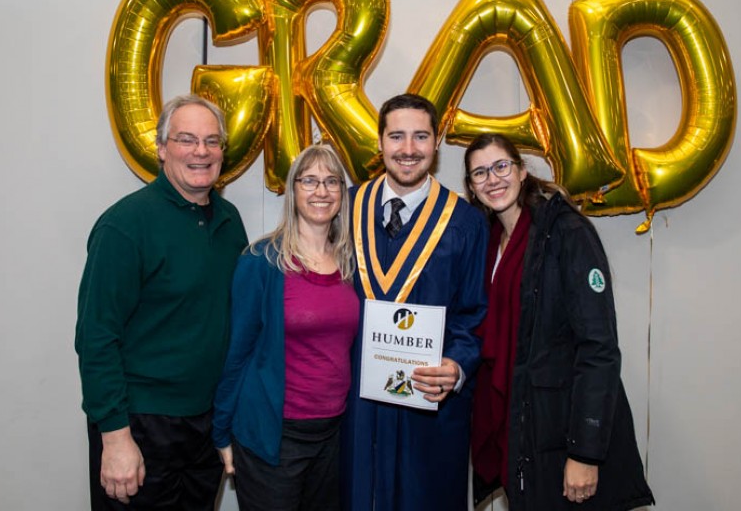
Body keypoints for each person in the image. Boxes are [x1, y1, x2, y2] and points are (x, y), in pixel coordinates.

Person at [464, 133, 655, 510]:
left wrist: (585, 453)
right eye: (480, 173)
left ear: (521, 171)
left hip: (561, 433)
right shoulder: (488, 241)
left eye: (501, 166)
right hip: (518, 426)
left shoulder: (567, 232)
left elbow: (599, 348)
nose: (493, 179)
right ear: (471, 187)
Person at [75, 94, 248, 510]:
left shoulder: (230, 222)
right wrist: (115, 437)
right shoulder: (125, 225)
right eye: (186, 139)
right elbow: (96, 337)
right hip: (141, 425)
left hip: (206, 425)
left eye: (212, 141)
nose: (201, 151)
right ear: (161, 148)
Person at [341, 93, 489, 511]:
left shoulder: (465, 222)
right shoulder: (346, 208)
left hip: (428, 402)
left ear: (436, 142)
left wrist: (457, 366)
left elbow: (474, 313)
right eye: (397, 136)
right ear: (380, 142)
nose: (408, 150)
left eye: (420, 136)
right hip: (357, 400)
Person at [212, 144, 359, 511]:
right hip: (274, 436)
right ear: (292, 191)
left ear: (343, 193)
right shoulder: (262, 261)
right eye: (309, 181)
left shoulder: (352, 263)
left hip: (333, 434)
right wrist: (221, 431)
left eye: (331, 182)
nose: (321, 191)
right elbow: (236, 353)